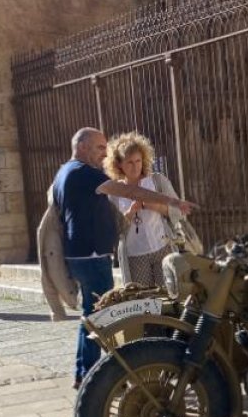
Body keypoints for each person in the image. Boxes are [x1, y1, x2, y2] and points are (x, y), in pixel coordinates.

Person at [54, 127, 197, 388]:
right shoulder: (86, 174)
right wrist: (160, 204)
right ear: (83, 147)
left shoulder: (65, 172)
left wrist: (164, 205)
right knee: (106, 315)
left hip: (100, 253)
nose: (103, 152)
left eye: (138, 161)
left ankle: (90, 372)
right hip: (97, 255)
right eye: (99, 147)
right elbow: (129, 199)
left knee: (157, 308)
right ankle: (103, 374)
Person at [103, 132, 183, 288]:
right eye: (129, 162)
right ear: (119, 164)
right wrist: (129, 213)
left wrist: (154, 205)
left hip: (163, 248)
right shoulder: (114, 193)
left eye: (138, 161)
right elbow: (112, 229)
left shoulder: (157, 181)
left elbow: (178, 211)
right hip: (135, 255)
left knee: (170, 293)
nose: (135, 167)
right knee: (144, 297)